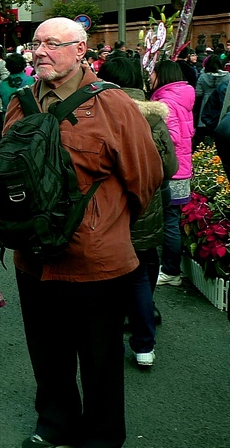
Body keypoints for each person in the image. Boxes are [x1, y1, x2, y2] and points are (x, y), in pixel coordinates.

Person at [3, 17, 162, 448]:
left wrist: (103, 224)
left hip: (95, 260)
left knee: (99, 358)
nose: (40, 51)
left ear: (80, 50)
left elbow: (144, 178)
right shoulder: (20, 102)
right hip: (32, 256)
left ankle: (103, 436)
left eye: (53, 44)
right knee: (47, 353)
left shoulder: (113, 105)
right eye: (36, 43)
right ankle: (55, 423)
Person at [98, 57, 178, 367]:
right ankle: (144, 346)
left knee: (103, 279)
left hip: (107, 212)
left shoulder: (96, 114)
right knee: (140, 277)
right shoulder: (154, 117)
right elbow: (170, 167)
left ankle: (103, 344)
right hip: (146, 208)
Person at [150, 60, 195, 288]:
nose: (150, 77)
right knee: (172, 219)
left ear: (162, 75)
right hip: (183, 167)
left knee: (169, 221)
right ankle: (171, 267)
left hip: (172, 169)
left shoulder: (166, 100)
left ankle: (170, 271)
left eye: (153, 73)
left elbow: (172, 138)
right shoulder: (182, 96)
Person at [194, 54, 229, 143]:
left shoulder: (203, 77)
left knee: (205, 129)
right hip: (222, 103)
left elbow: (198, 93)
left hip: (205, 102)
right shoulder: (227, 76)